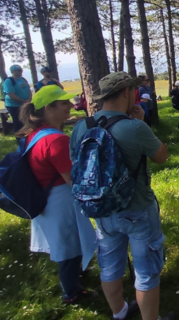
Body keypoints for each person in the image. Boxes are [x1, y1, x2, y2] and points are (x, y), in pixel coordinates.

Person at [70, 72, 172, 320]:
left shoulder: (82, 127)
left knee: (110, 264)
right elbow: (161, 156)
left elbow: (76, 161)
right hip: (138, 208)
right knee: (146, 271)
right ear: (126, 92)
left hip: (102, 210)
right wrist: (143, 122)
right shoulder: (134, 127)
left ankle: (119, 313)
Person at [18, 85, 97, 305]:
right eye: (64, 104)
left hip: (46, 196)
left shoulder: (35, 133)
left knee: (67, 241)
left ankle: (76, 276)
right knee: (67, 246)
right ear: (48, 109)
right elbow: (72, 178)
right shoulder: (56, 140)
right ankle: (71, 293)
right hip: (60, 199)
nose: (71, 106)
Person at [3, 64, 32, 132]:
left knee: (26, 121)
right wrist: (24, 101)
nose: (20, 72)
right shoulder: (9, 81)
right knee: (18, 122)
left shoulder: (23, 79)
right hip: (14, 106)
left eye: (21, 70)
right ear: (13, 71)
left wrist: (29, 99)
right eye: (18, 71)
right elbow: (11, 95)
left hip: (25, 104)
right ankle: (19, 138)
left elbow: (28, 90)